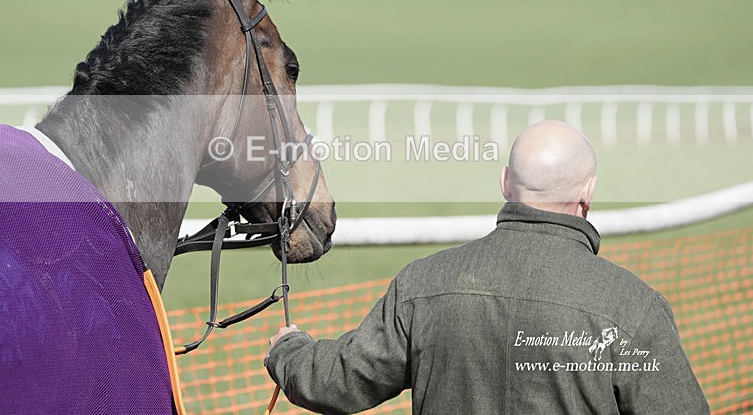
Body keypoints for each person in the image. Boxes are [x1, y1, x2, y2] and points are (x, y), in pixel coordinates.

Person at [264, 120, 709, 414]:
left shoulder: (422, 286)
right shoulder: (633, 309)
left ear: (505, 182)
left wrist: (289, 350)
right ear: (589, 190)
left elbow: (340, 381)